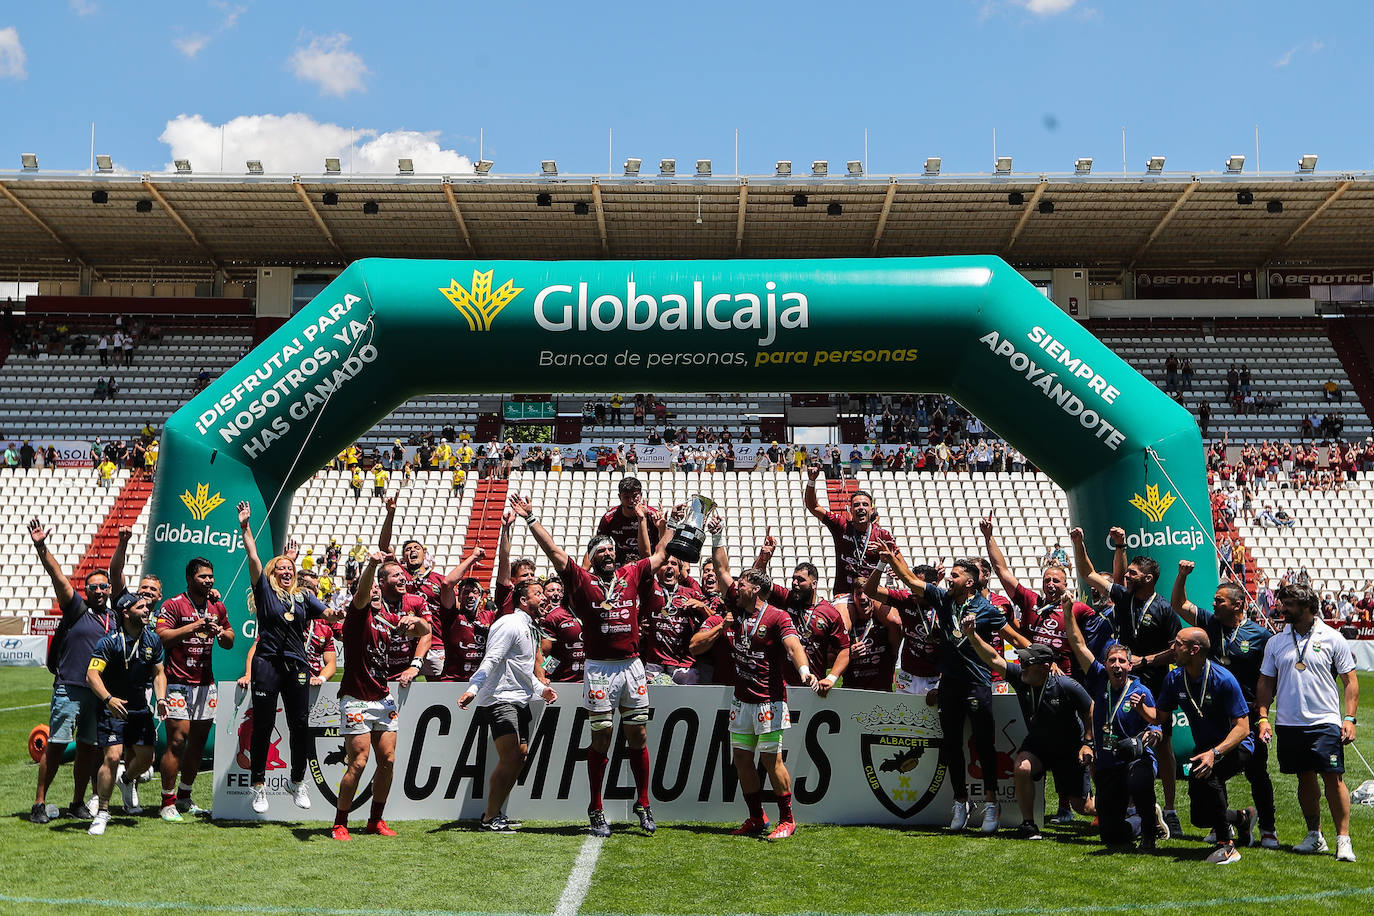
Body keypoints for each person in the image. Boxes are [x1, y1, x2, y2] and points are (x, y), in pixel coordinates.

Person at [510, 491, 667, 837]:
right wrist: (530, 518)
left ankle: (644, 803)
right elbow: (553, 552)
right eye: (602, 551)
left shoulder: (630, 573)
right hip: (599, 669)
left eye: (611, 550)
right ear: (592, 558)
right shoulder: (582, 580)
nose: (609, 554)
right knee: (602, 737)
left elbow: (658, 556)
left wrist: (667, 528)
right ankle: (595, 807)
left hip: (632, 665)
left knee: (638, 735)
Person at [879, 549, 1007, 833]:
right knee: (952, 746)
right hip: (949, 685)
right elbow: (913, 583)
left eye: (954, 575)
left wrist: (1035, 659)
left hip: (977, 683)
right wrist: (892, 560)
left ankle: (991, 803)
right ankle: (961, 802)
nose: (948, 578)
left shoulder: (986, 609)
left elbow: (1012, 634)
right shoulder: (943, 599)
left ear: (969, 582)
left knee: (984, 746)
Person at [1071, 525, 1183, 836]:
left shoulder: (1162, 609)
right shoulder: (1123, 597)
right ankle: (1133, 806)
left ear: (1147, 579)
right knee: (1116, 738)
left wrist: (1146, 660)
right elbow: (1089, 573)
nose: (1126, 577)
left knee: (1162, 743)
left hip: (1152, 681)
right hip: (1121, 678)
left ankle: (1170, 809)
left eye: (1132, 574)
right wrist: (1078, 543)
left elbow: (1178, 649)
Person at [1172, 561, 1277, 847]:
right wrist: (1182, 575)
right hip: (1215, 713)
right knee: (1214, 771)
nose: (1214, 604)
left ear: (1238, 604)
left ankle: (1268, 827)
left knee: (1257, 773)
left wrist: (1263, 704)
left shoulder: (1260, 636)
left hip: (1248, 715)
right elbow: (1179, 603)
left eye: (1220, 601)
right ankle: (1226, 825)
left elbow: (1271, 674)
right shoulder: (1209, 624)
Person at [236, 503, 330, 815]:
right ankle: (258, 785)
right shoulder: (264, 590)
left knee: (300, 725)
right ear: (274, 574)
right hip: (267, 664)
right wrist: (246, 528)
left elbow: (328, 613)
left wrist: (341, 612)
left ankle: (296, 781)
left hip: (297, 666)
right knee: (263, 724)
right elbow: (253, 558)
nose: (287, 572)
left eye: (290, 569)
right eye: (282, 569)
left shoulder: (303, 596)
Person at [1256, 582, 1359, 862]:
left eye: (1288, 604)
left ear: (1307, 607)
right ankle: (1315, 835)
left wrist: (1349, 718)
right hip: (1289, 722)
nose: (1282, 608)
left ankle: (1343, 839)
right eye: (1282, 603)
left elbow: (1350, 681)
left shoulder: (1332, 637)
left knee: (1333, 778)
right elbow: (1266, 682)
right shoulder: (1276, 641)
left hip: (1324, 720)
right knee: (1304, 778)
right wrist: (1263, 717)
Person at [332, 551, 431, 840]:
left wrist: (413, 620)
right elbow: (363, 592)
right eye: (372, 589)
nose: (375, 592)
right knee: (359, 762)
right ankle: (340, 822)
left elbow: (426, 629)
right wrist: (373, 566)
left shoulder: (388, 619)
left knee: (387, 761)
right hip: (355, 698)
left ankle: (376, 820)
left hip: (382, 697)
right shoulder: (357, 615)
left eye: (378, 589)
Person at [715, 564, 818, 838]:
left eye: (743, 584)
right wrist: (716, 538)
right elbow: (721, 570)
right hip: (741, 701)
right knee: (741, 759)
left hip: (768, 702)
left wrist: (804, 670)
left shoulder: (777, 616)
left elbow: (793, 645)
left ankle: (787, 819)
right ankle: (757, 817)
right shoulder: (737, 609)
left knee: (772, 760)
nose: (737, 587)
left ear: (756, 589)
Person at [963, 633, 1094, 839]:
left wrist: (1087, 743)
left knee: (1083, 807)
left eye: (1026, 662)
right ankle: (1028, 824)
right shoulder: (1020, 676)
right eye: (1021, 661)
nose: (1021, 665)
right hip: (1039, 743)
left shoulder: (1066, 685)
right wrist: (971, 635)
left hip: (1068, 747)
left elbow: (1091, 709)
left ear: (1044, 667)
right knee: (1021, 767)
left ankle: (1127, 809)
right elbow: (993, 659)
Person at [1062, 598, 1166, 850]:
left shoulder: (1141, 691)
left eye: (1122, 661)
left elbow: (1156, 725)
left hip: (1136, 760)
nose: (1117, 665)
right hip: (1108, 763)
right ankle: (1145, 820)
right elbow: (1078, 644)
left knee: (1139, 780)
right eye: (1112, 661)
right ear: (1105, 664)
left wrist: (1153, 736)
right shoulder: (1099, 680)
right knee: (1111, 837)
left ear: (1130, 665)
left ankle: (1149, 834)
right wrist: (1067, 612)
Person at [458, 579, 559, 832]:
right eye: (538, 594)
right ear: (523, 601)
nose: (545, 597)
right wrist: (473, 688)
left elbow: (522, 672)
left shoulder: (529, 628)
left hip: (519, 699)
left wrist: (540, 689)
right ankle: (489, 818)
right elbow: (491, 659)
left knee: (520, 757)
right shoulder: (509, 623)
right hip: (501, 699)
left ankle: (496, 814)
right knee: (511, 756)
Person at [28, 517, 111, 824]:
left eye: (103, 586)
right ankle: (39, 803)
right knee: (58, 744)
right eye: (93, 587)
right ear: (85, 590)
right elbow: (58, 576)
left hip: (98, 693)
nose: (99, 590)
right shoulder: (77, 608)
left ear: (110, 588)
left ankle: (77, 802)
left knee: (88, 749)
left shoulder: (115, 617)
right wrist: (41, 546)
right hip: (71, 687)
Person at [1157, 628, 1257, 864]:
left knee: (1209, 774)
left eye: (1178, 644)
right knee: (1200, 818)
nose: (1173, 647)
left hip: (1236, 745)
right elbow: (1159, 717)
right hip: (1205, 749)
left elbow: (1242, 728)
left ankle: (1227, 846)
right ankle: (1242, 818)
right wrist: (1140, 706)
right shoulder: (1174, 678)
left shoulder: (1223, 679)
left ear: (1194, 650)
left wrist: (1214, 753)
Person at [153, 556, 234, 820]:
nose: (209, 580)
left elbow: (230, 638)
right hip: (177, 683)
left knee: (198, 742)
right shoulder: (173, 605)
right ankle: (167, 801)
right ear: (190, 578)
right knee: (177, 740)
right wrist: (194, 627)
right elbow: (161, 638)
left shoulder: (217, 606)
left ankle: (185, 796)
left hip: (205, 684)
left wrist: (220, 633)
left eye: (210, 576)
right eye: (203, 576)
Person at [85, 592, 169, 835]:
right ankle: (102, 812)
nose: (147, 610)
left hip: (140, 709)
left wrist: (161, 698)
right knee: (112, 757)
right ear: (126, 612)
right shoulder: (109, 642)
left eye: (147, 606)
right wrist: (108, 699)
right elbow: (92, 675)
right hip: (114, 708)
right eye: (141, 607)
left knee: (146, 759)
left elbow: (158, 673)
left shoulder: (152, 640)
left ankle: (127, 779)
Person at [984, 516, 1107, 681]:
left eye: (1056, 581)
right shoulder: (1030, 600)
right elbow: (1002, 571)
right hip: (1030, 671)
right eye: (1047, 580)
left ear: (1065, 584)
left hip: (1063, 676)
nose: (1051, 584)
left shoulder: (1078, 608)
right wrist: (988, 536)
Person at [803, 464, 896, 596]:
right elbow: (813, 506)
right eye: (856, 505)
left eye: (865, 504)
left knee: (893, 618)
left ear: (872, 510)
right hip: (844, 594)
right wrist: (812, 480)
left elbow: (899, 563)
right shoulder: (841, 526)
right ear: (850, 510)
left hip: (872, 594)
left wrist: (895, 569)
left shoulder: (882, 535)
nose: (861, 508)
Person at [864, 559, 942, 697]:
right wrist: (881, 564)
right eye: (912, 584)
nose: (913, 589)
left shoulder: (945, 606)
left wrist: (939, 684)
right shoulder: (906, 599)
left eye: (917, 585)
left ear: (933, 586)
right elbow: (870, 591)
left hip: (935, 678)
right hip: (908, 677)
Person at [591, 476, 665, 566]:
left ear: (641, 495)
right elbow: (596, 546)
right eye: (626, 497)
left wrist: (662, 527)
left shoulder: (653, 516)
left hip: (649, 563)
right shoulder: (609, 518)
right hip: (621, 565)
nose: (631, 501)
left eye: (634, 496)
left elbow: (664, 545)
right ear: (619, 497)